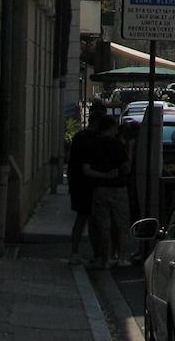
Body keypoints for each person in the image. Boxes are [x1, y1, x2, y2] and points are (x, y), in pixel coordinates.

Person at [83, 114, 132, 267]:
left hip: (100, 188)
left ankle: (105, 257)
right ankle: (120, 256)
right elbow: (127, 167)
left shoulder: (92, 144)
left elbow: (86, 169)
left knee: (103, 225)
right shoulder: (118, 144)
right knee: (121, 223)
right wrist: (131, 150)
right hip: (118, 188)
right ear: (111, 128)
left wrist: (103, 176)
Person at [66, 104, 106, 264]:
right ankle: (95, 255)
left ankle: (76, 252)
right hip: (89, 184)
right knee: (91, 221)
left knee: (82, 218)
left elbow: (72, 162)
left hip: (78, 183)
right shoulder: (94, 140)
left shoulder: (79, 137)